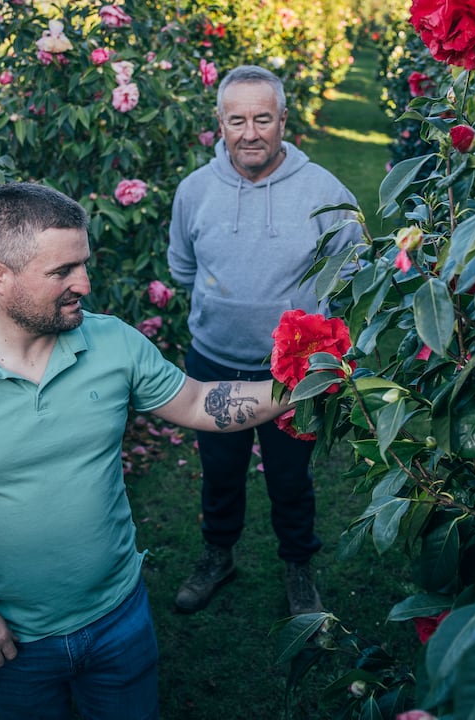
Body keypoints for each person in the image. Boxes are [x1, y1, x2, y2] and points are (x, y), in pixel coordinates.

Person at [0, 181, 292, 720]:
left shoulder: (113, 344)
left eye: (83, 264)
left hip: (120, 617)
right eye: (62, 271)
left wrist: (298, 388)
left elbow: (198, 401)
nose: (84, 284)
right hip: (8, 637)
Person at [167, 64, 361, 616]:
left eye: (262, 119)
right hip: (215, 364)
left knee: (290, 477)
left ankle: (298, 566)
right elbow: (183, 268)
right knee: (220, 472)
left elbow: (352, 268)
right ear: (219, 124)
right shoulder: (194, 191)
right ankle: (217, 555)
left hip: (292, 372)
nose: (249, 133)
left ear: (283, 120)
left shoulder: (323, 190)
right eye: (237, 121)